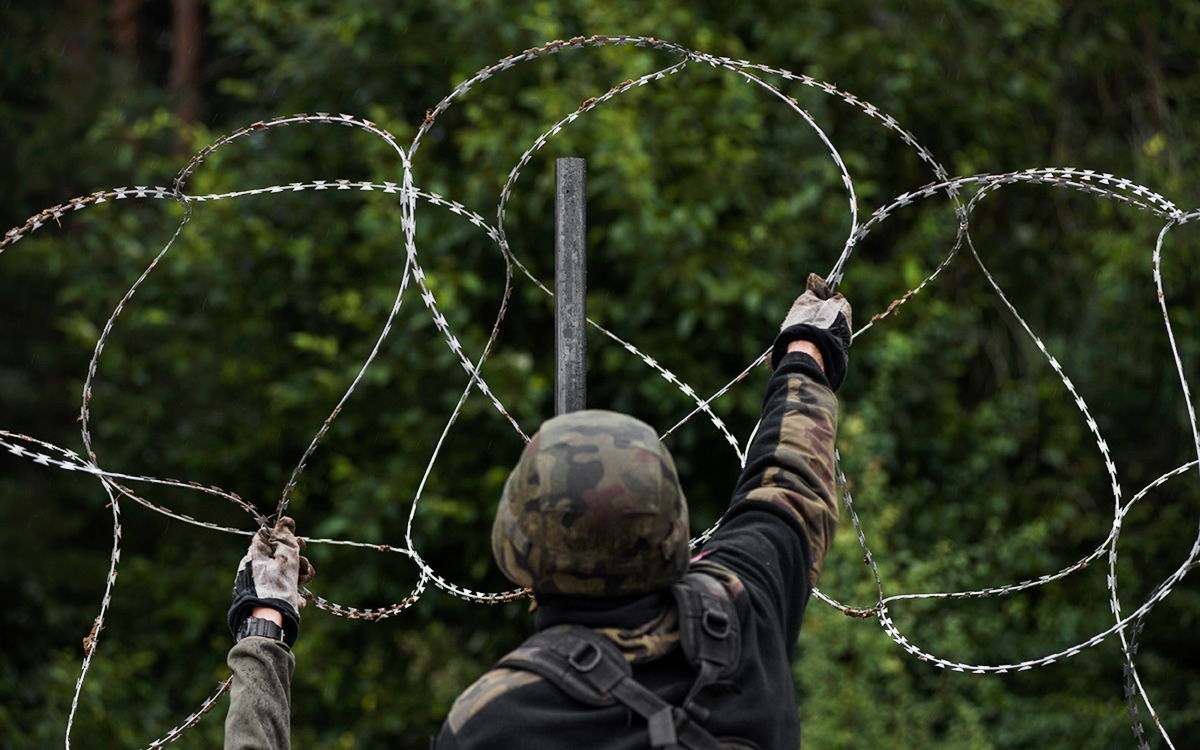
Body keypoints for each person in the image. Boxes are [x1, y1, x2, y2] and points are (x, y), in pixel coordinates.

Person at [223, 273, 850, 750]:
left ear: (518, 550)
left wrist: (264, 626)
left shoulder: (496, 723)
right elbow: (790, 483)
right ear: (677, 532)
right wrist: (805, 353)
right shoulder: (743, 609)